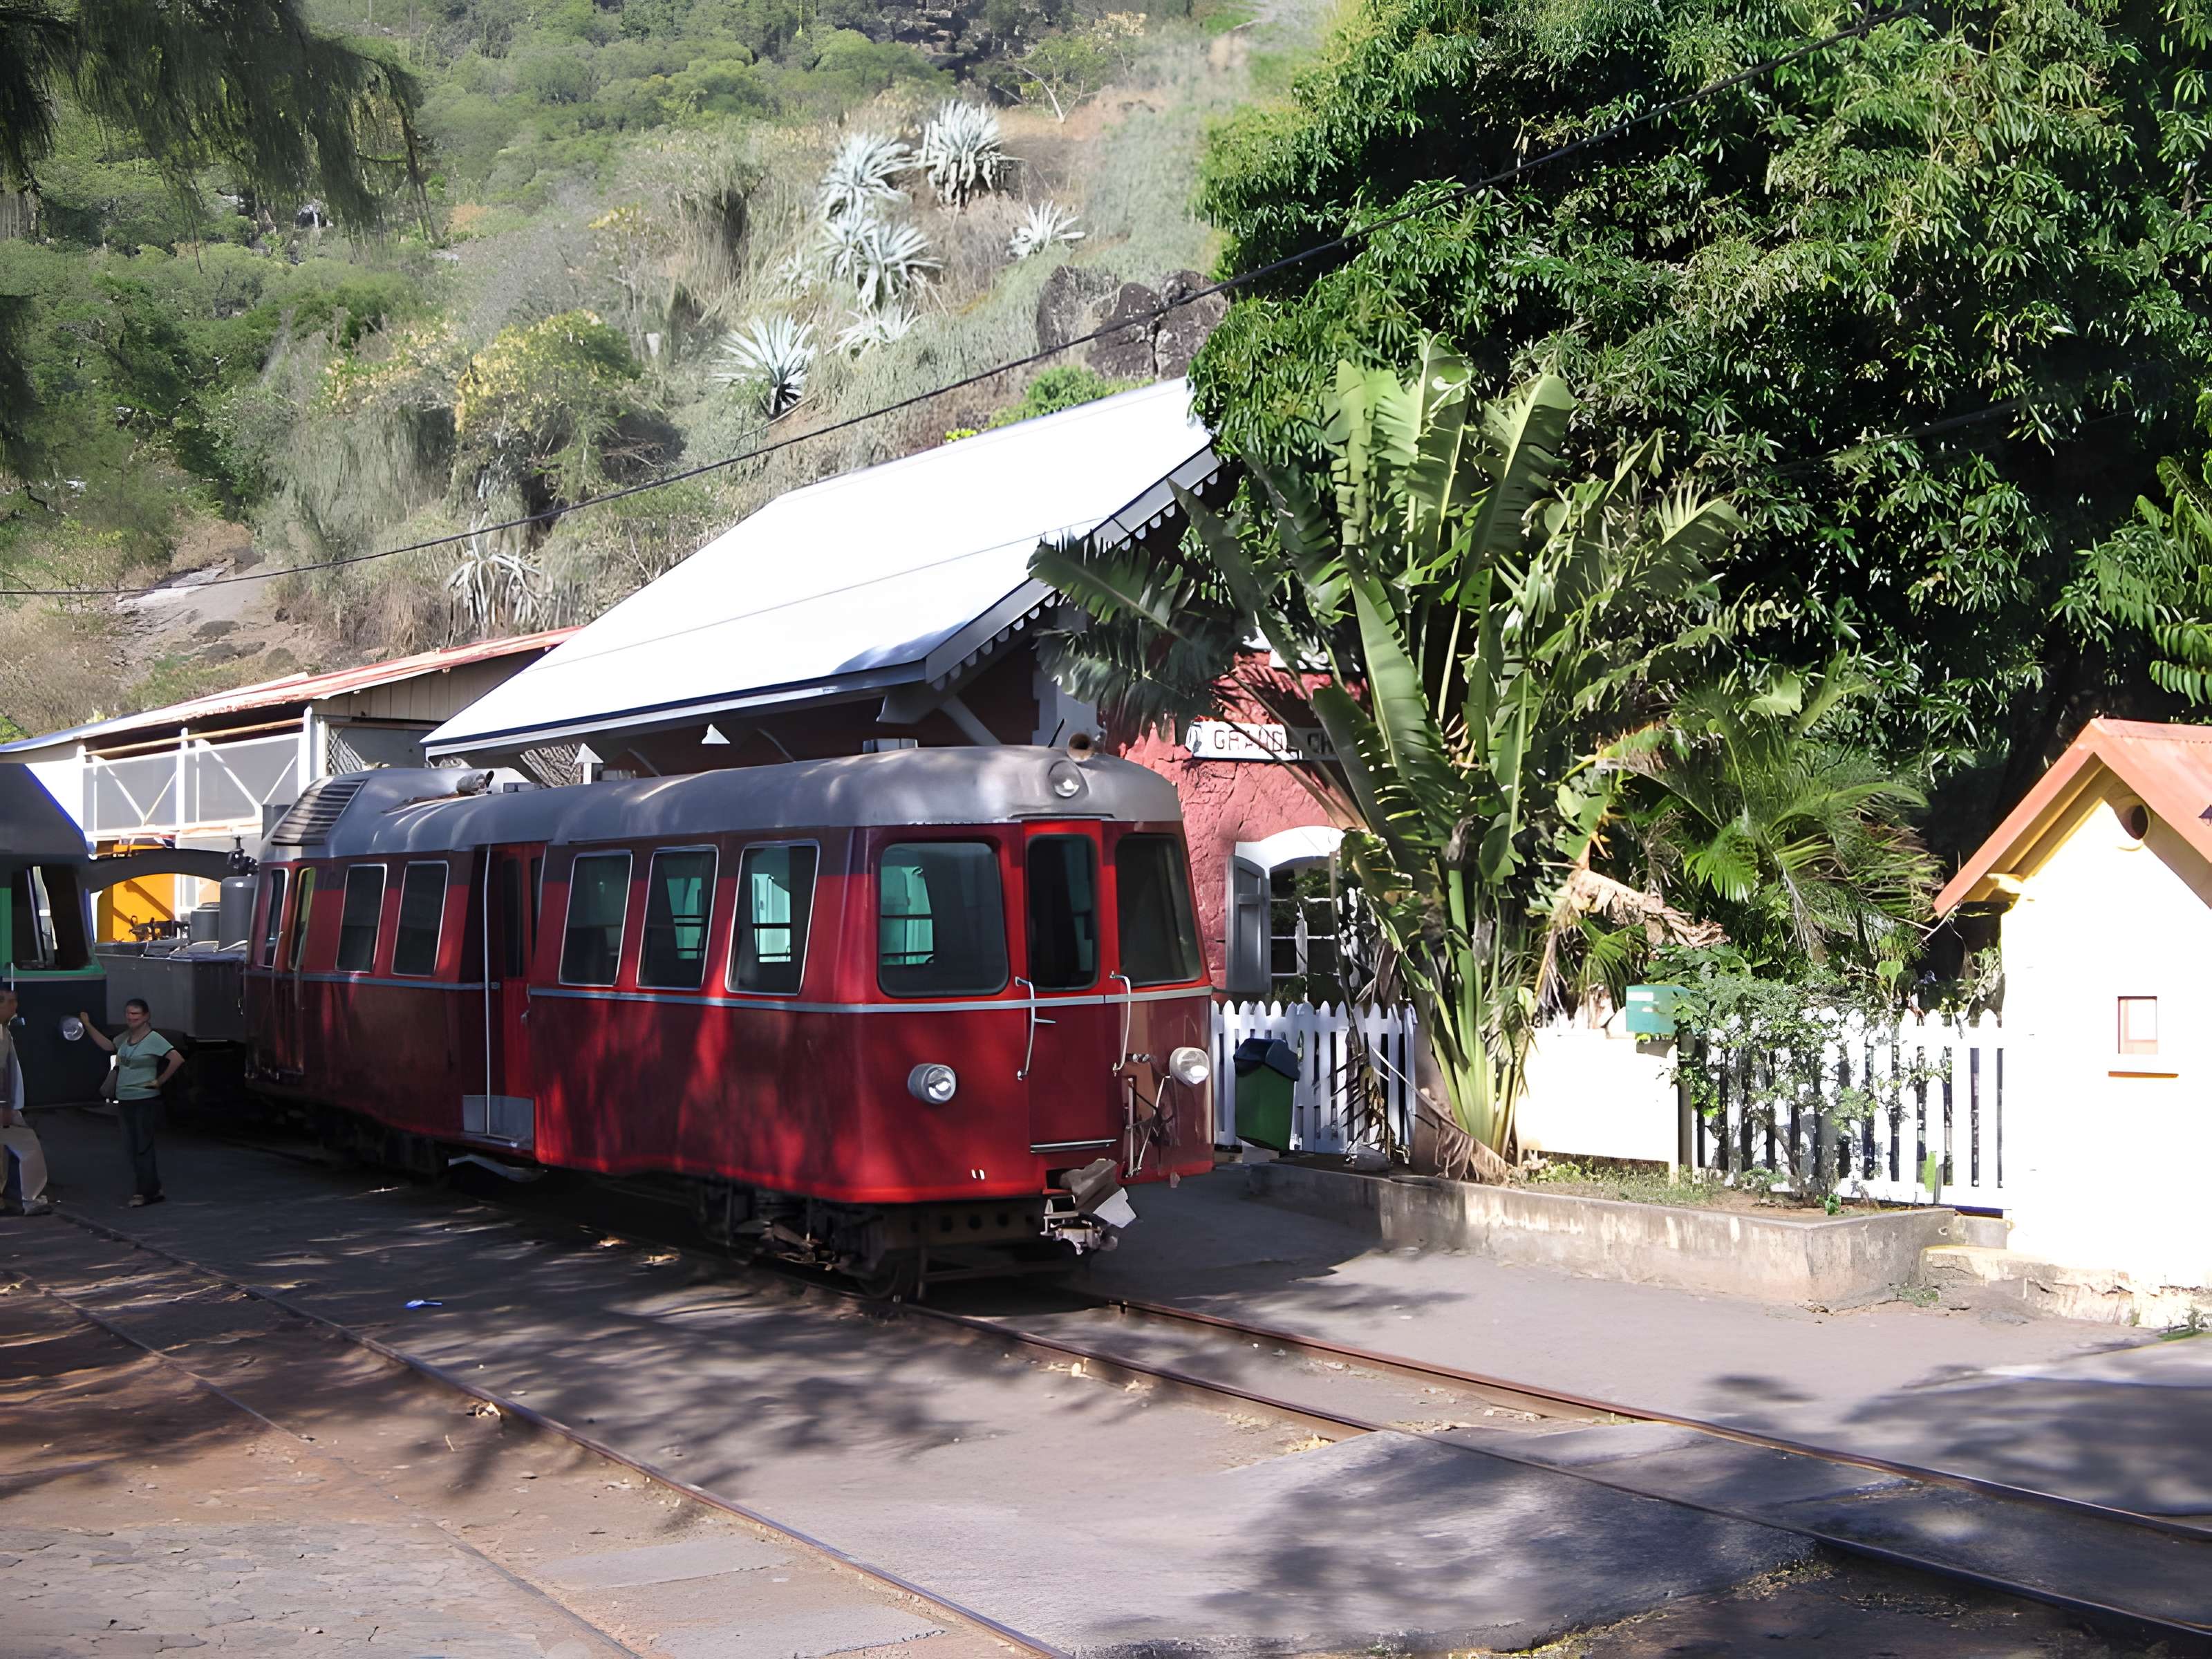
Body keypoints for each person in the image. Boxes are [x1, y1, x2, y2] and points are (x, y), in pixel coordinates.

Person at [78, 999, 180, 1208]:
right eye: (128, 1014)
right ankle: (152, 1188)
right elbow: (108, 1046)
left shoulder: (154, 1039)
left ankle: (144, 1192)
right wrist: (87, 1026)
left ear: (146, 1016)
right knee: (132, 1147)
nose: (131, 1018)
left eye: (136, 1015)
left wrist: (159, 1081)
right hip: (125, 1099)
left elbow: (176, 1059)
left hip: (144, 1099)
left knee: (143, 1147)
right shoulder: (126, 1037)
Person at [0, 988, 53, 1216]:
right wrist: (4, 1105)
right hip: (4, 1107)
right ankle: (31, 1200)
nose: (15, 1007)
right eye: (10, 1002)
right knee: (29, 1148)